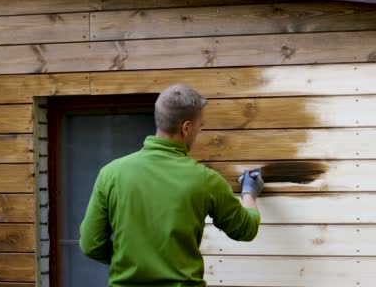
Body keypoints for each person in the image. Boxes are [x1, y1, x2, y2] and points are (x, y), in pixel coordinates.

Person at [79, 84, 264, 287]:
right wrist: (249, 192)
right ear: (186, 128)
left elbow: (91, 245)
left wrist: (130, 261)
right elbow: (246, 229)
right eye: (200, 126)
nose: (199, 131)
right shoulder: (205, 180)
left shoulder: (110, 174)